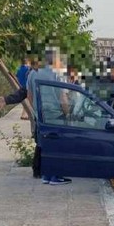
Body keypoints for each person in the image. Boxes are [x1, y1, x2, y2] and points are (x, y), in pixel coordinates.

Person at [26, 47, 72, 185]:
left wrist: (36, 110)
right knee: (58, 146)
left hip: (40, 115)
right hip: (56, 115)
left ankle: (46, 176)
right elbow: (63, 98)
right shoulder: (57, 74)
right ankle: (56, 176)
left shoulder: (33, 73)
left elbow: (29, 95)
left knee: (45, 145)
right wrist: (67, 113)